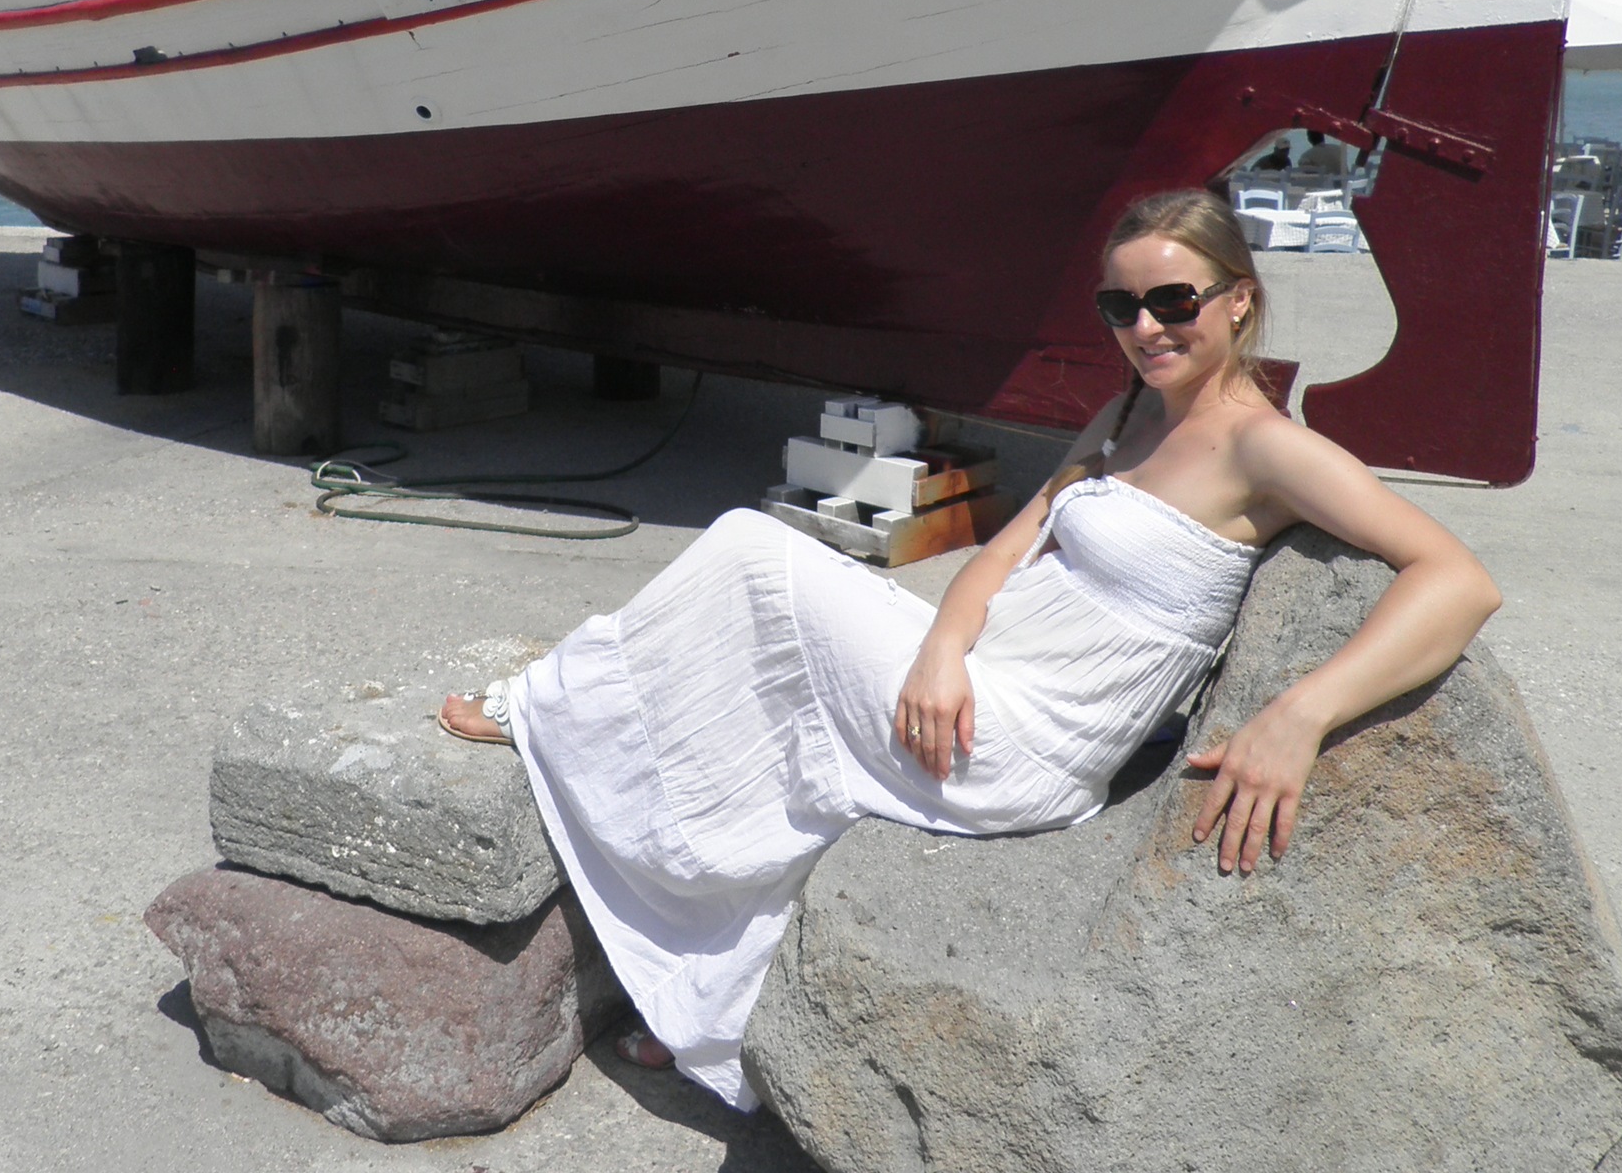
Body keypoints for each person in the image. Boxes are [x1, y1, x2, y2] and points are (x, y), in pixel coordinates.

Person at [439, 190, 1505, 1110]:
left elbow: (1459, 579)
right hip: (978, 679)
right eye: (1121, 306)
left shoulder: (1265, 447)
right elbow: (1010, 543)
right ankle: (715, 1008)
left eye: (1174, 301)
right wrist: (944, 643)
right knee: (776, 675)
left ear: (1237, 299)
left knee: (752, 550)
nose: (1146, 328)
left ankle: (546, 705)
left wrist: (1301, 716)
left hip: (1027, 740)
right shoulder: (1127, 413)